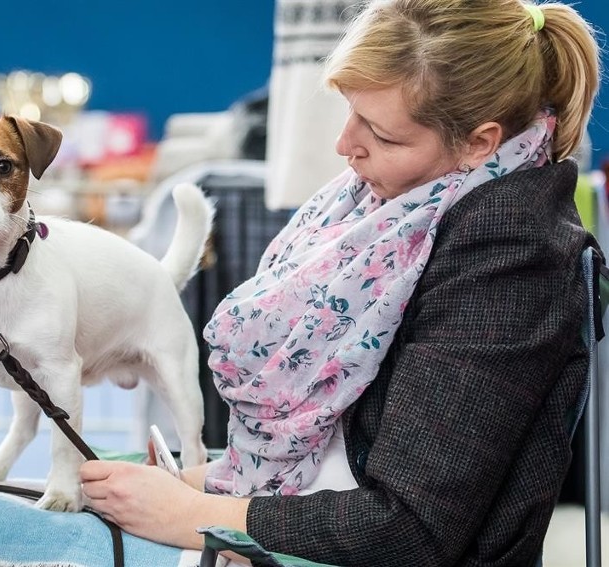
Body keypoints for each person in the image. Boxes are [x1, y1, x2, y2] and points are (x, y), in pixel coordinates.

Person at [80, 0, 602, 565]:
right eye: (350, 112)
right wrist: (196, 483)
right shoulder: (396, 203)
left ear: (479, 142)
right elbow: (339, 444)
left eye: (380, 132)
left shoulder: (511, 252)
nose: (343, 143)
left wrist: (189, 514)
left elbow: (408, 528)